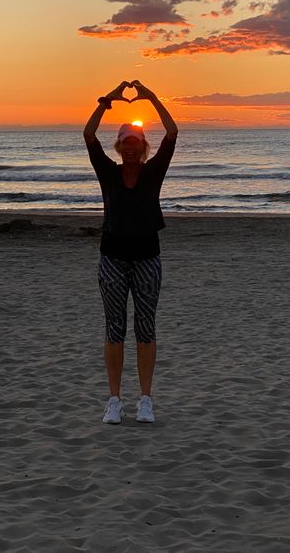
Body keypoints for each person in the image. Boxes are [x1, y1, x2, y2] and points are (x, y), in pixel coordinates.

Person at [83, 79, 178, 424]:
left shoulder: (154, 172)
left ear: (143, 145)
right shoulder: (108, 172)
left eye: (136, 142)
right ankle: (114, 400)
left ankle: (146, 401)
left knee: (146, 327)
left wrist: (152, 97)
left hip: (148, 258)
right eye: (126, 143)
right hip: (112, 257)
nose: (131, 148)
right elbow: (88, 135)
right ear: (119, 146)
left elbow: (172, 132)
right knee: (114, 328)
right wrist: (106, 100)